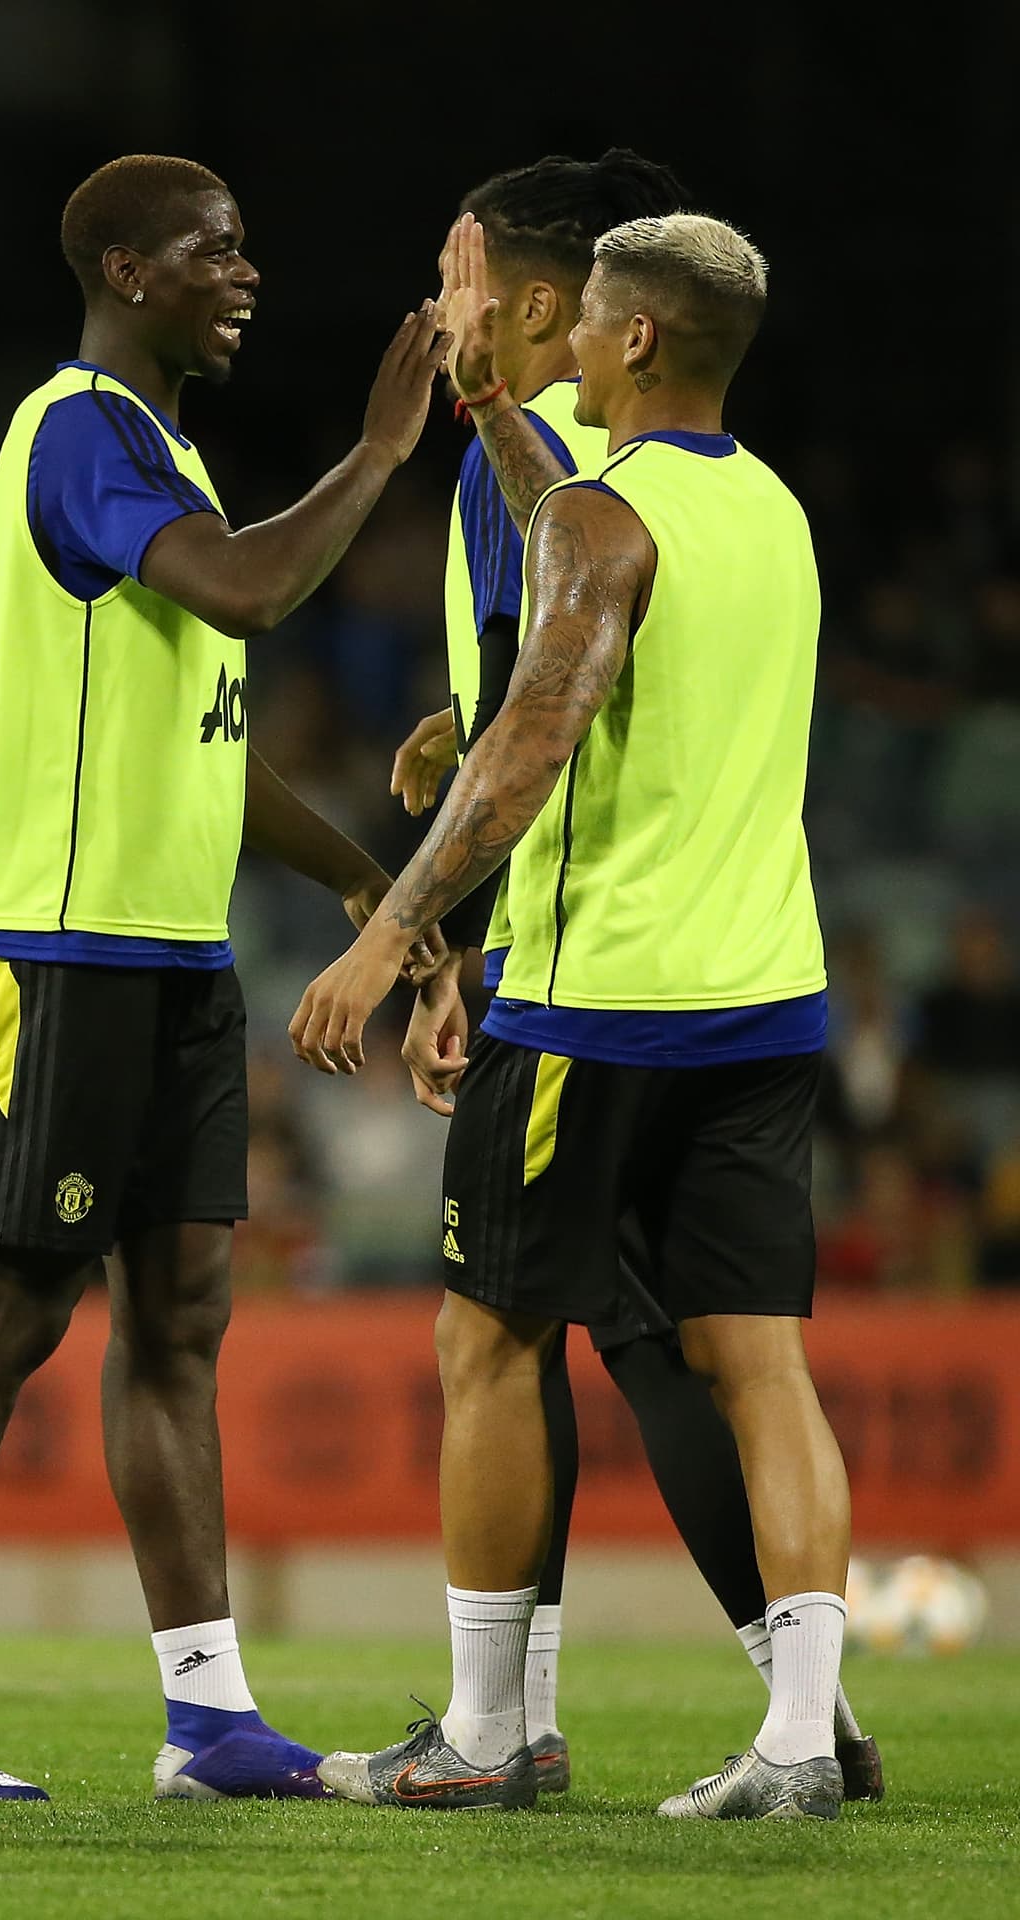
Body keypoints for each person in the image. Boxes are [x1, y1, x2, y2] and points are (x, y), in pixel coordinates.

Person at [0, 153, 445, 1804]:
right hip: (54, 943)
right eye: (214, 250)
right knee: (15, 1307)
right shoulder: (80, 431)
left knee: (179, 1322)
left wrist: (369, 886)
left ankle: (207, 1716)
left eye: (247, 247)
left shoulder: (164, 459)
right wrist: (385, 448)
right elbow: (250, 586)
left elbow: (214, 752)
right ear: (125, 266)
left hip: (174, 958)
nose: (245, 274)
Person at [292, 211, 854, 1822]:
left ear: (635, 345)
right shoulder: (772, 512)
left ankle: (485, 1734)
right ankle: (804, 1737)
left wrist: (389, 932)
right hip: (763, 1000)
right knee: (761, 1366)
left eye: (590, 325)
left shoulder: (607, 524)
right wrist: (486, 406)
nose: (575, 348)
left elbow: (542, 730)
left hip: (600, 1009)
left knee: (489, 1340)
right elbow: (593, 563)